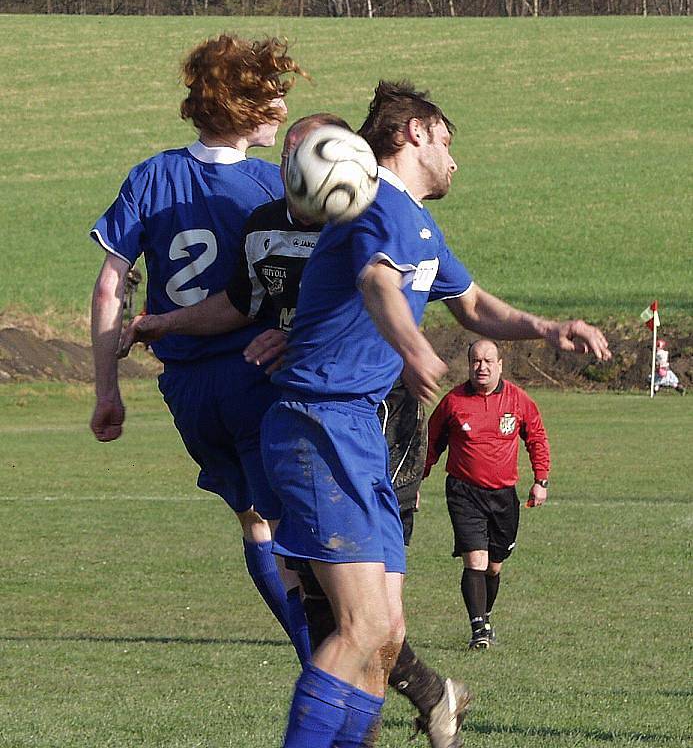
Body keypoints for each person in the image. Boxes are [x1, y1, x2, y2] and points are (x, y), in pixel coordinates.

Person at [259, 80, 610, 748]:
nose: (453, 159)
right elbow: (376, 281)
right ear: (414, 132)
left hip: (357, 430)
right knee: (360, 630)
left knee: (383, 636)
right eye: (447, 141)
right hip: (320, 423)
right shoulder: (372, 202)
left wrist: (544, 325)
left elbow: (473, 305)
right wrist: (413, 345)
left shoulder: (417, 223)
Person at [120, 112, 473, 748]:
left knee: (371, 622)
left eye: (307, 153)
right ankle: (419, 699)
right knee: (340, 613)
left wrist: (402, 347)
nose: (294, 169)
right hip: (312, 418)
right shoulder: (265, 226)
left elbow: (378, 286)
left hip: (379, 417)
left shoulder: (368, 215)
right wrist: (161, 324)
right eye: (289, 157)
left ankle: (425, 693)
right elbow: (241, 304)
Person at [88, 33, 311, 665]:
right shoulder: (273, 188)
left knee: (254, 524)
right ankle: (333, 669)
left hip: (187, 394)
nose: (281, 112)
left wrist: (107, 390)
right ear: (244, 108)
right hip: (259, 376)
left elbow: (110, 289)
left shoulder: (152, 177)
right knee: (298, 531)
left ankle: (318, 658)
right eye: (272, 99)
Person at [425, 339, 551, 650]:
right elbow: (430, 444)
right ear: (468, 365)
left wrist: (541, 480)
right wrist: (414, 483)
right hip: (463, 492)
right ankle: (478, 630)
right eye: (476, 361)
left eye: (488, 361)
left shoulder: (518, 400)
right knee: (475, 561)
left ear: (500, 365)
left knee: (494, 565)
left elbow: (536, 437)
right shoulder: (453, 402)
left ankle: (486, 613)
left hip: (503, 496)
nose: (482, 367)